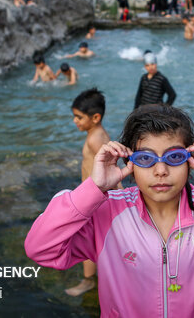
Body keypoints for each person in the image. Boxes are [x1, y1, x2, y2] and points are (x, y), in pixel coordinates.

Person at [25, 104, 194, 316]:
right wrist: (93, 190)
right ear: (128, 161)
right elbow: (41, 249)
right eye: (145, 158)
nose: (160, 170)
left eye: (174, 157)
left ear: (190, 159)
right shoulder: (107, 212)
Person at [63, 88, 118, 297]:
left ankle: (88, 281)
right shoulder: (97, 134)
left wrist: (118, 198)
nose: (75, 121)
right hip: (95, 197)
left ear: (95, 118)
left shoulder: (96, 139)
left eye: (79, 117)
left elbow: (111, 170)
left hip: (95, 200)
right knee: (96, 238)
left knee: (86, 239)